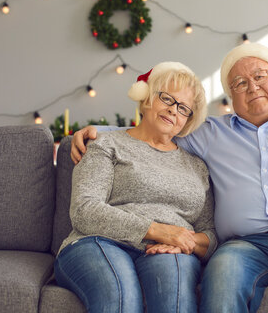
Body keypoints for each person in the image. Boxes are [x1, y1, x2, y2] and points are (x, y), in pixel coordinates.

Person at [71, 43, 268, 313]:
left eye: (259, 76)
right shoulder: (210, 134)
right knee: (222, 279)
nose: (251, 87)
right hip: (246, 245)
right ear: (231, 98)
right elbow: (158, 130)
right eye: (239, 83)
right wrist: (97, 132)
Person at [56, 62, 216, 313]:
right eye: (167, 99)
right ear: (146, 99)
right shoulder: (105, 144)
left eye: (183, 108)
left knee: (174, 301)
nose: (174, 111)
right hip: (100, 242)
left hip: (169, 252)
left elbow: (209, 232)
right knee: (119, 296)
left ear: (187, 121)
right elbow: (84, 210)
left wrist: (186, 241)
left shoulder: (198, 167)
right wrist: (159, 231)